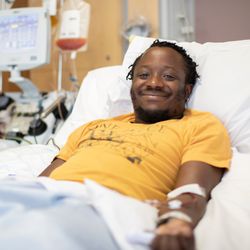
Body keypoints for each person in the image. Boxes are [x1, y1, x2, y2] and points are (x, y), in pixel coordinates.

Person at [39, 39, 231, 250]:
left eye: (168, 76)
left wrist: (177, 221)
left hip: (104, 211)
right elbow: (41, 181)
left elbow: (192, 191)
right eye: (143, 75)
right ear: (132, 85)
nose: (154, 83)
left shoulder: (200, 125)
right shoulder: (91, 127)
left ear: (187, 90)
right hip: (43, 201)